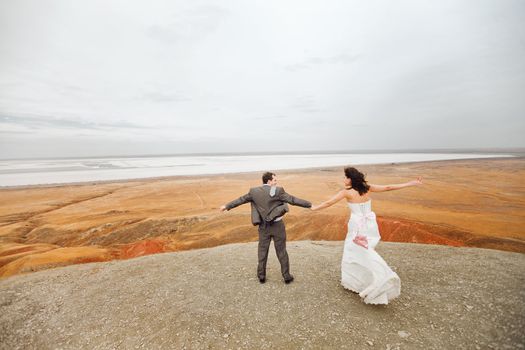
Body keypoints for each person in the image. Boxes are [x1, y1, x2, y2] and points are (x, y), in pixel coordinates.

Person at [311, 166, 423, 304]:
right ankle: (363, 280)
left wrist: (315, 208)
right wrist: (411, 183)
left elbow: (329, 202)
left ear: (351, 179)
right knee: (364, 249)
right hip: (369, 224)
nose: (344, 179)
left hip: (357, 225)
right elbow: (388, 187)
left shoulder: (347, 192)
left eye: (345, 177)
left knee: (354, 250)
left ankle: (379, 276)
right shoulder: (367, 187)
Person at [220, 171, 312, 284]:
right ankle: (286, 276)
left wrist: (226, 206)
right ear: (269, 181)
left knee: (262, 250)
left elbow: (240, 200)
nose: (276, 182)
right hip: (278, 226)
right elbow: (292, 200)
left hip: (263, 227)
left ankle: (261, 276)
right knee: (281, 251)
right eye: (275, 180)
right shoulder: (278, 191)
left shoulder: (254, 192)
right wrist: (309, 205)